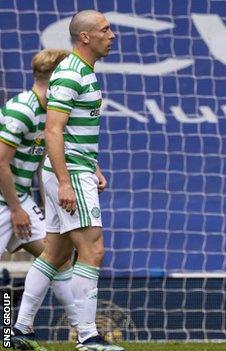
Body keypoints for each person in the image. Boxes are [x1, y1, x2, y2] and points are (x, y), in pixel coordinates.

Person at [12, 10, 124, 351]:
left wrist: (94, 167)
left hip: (76, 169)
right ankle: (88, 337)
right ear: (86, 37)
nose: (113, 34)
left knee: (53, 255)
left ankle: (19, 330)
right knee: (93, 251)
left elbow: (74, 132)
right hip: (69, 175)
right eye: (106, 29)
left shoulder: (83, 72)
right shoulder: (72, 73)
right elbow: (53, 130)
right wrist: (65, 181)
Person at [0, 49, 79, 350]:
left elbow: (46, 157)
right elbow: (0, 162)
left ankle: (83, 332)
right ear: (56, 79)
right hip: (7, 202)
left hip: (16, 199)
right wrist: (17, 209)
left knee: (55, 256)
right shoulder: (22, 110)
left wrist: (47, 208)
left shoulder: (51, 113)